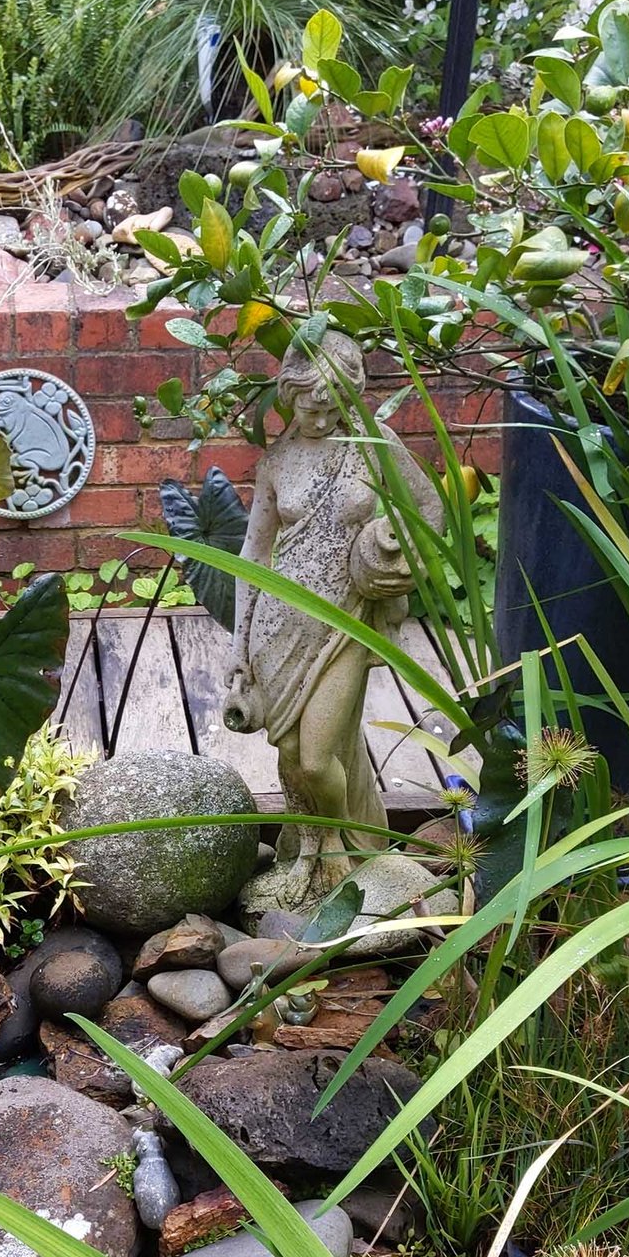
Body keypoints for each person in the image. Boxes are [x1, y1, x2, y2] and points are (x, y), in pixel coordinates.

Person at [224, 330, 439, 911]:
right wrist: (239, 646)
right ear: (289, 399)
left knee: (318, 757)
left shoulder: (374, 445)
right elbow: (253, 554)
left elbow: (429, 508)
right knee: (292, 755)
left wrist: (398, 558)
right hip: (278, 625)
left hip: (344, 621)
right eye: (308, 409)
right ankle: (310, 854)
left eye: (332, 407)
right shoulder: (278, 461)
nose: (320, 420)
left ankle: (338, 849)